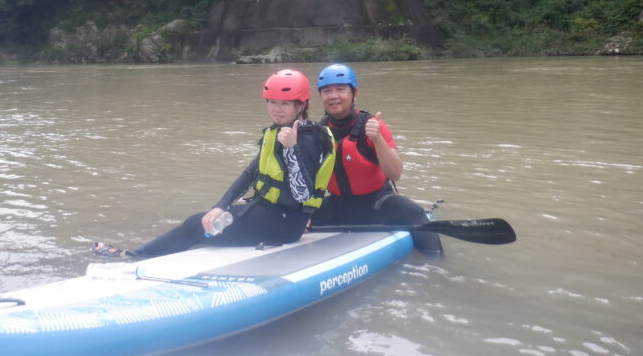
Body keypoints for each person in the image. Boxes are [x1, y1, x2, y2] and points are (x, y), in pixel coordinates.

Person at [92, 68, 336, 258]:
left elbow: (302, 193)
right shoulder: (280, 131)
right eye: (271, 102)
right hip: (269, 215)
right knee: (207, 221)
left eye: (284, 103)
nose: (276, 109)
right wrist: (221, 205)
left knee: (193, 225)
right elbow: (251, 173)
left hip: (281, 225)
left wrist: (292, 149)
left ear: (301, 105)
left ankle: (133, 256)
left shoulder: (306, 140)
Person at [310, 63, 443, 254]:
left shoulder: (373, 126)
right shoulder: (317, 132)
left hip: (377, 203)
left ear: (354, 93)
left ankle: (435, 266)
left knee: (414, 213)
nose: (333, 96)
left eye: (340, 89)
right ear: (321, 96)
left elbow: (395, 173)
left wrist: (378, 139)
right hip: (338, 205)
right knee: (294, 215)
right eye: (327, 91)